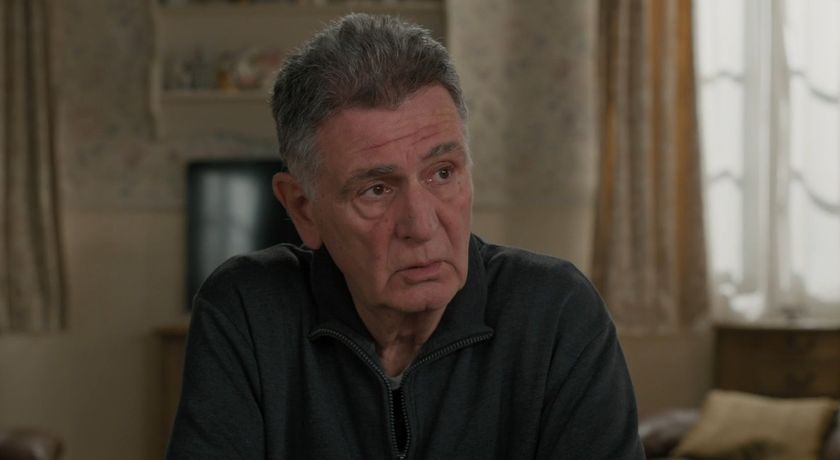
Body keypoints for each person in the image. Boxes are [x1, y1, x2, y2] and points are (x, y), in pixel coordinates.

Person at [167, 13, 644, 460]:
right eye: (376, 189)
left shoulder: (557, 312)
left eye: (443, 172)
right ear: (302, 209)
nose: (422, 225)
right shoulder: (246, 311)